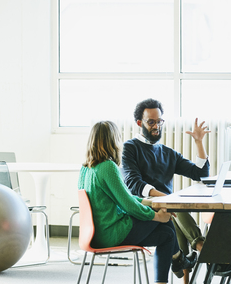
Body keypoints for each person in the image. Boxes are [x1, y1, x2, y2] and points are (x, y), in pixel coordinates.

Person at [122, 98, 231, 280]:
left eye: (159, 121)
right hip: (142, 206)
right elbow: (133, 183)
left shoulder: (167, 152)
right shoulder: (130, 148)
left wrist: (199, 143)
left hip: (167, 209)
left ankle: (183, 259)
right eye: (151, 122)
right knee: (174, 206)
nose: (156, 126)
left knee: (173, 210)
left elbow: (200, 173)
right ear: (140, 123)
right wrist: (165, 198)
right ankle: (204, 249)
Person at [78, 120, 196, 284]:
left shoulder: (86, 169)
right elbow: (128, 205)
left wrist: (151, 203)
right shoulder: (108, 167)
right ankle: (178, 261)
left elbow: (125, 197)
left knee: (168, 234)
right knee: (166, 222)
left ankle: (178, 260)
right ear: (113, 140)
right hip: (112, 234)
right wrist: (157, 216)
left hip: (95, 235)